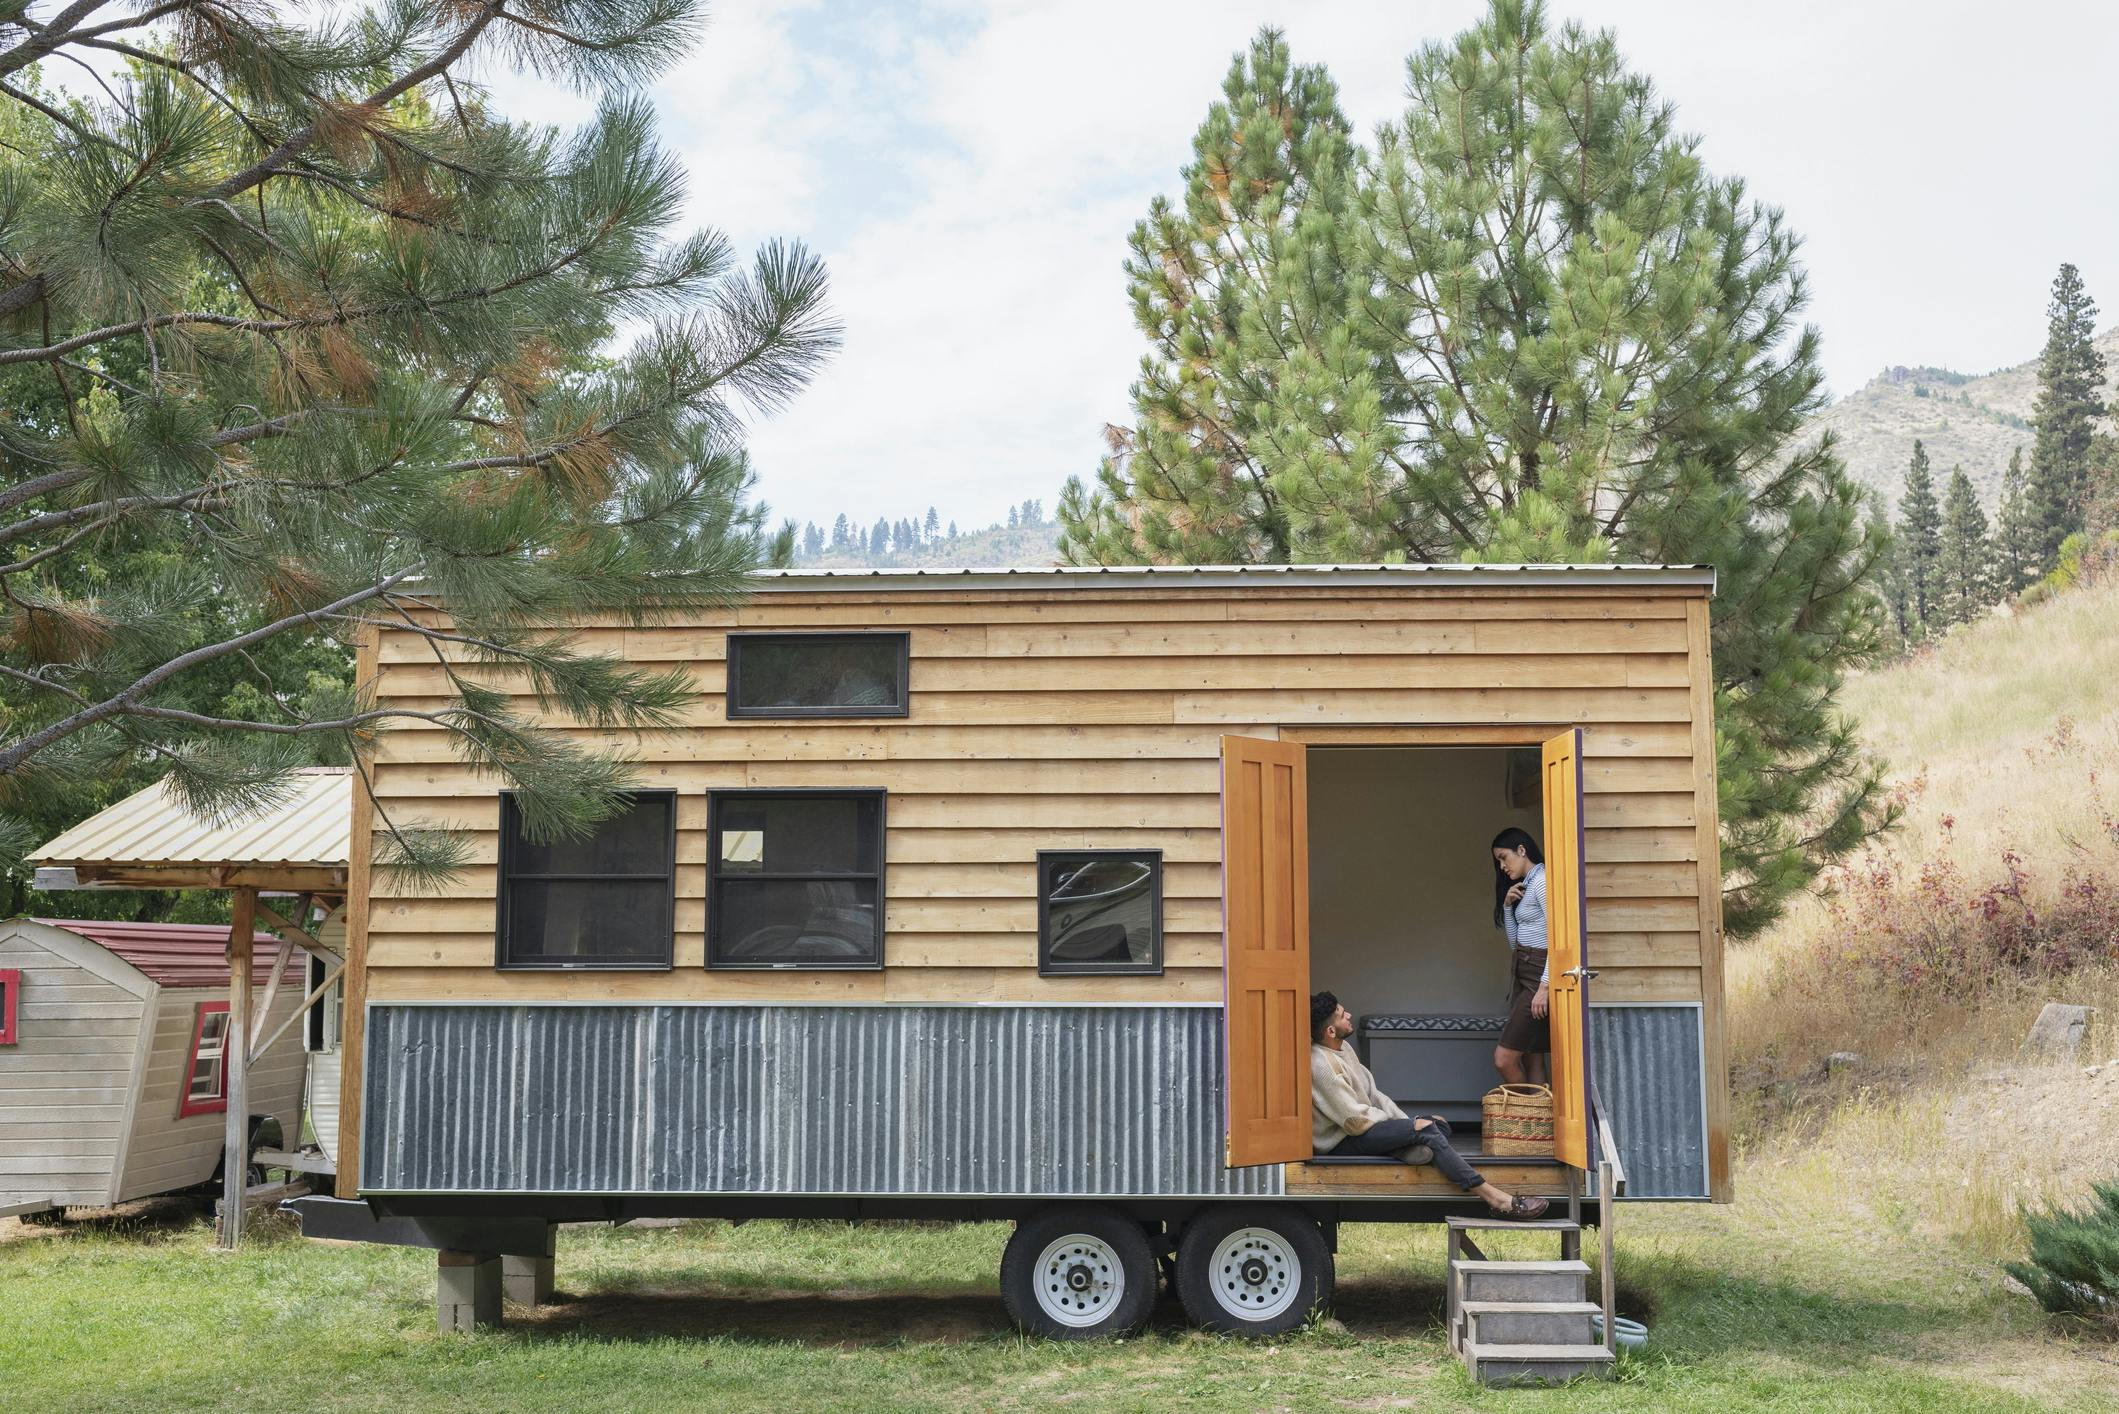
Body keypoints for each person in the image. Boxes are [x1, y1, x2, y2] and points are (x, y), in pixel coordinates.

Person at [1310, 992, 1549, 1220]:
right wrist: (1409, 1129)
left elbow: (1373, 1094)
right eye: (1342, 1015)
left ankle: (1405, 1148)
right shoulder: (1321, 1064)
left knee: (1438, 1123)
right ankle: (1496, 1199)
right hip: (1343, 1141)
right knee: (1426, 1131)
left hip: (1367, 1128)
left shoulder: (1344, 1048)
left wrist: (1406, 1125)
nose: (1349, 1015)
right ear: (1330, 1030)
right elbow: (1355, 1120)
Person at [1491, 827, 1549, 1085]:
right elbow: (1515, 945)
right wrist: (1507, 907)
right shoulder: (1525, 886)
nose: (1502, 865)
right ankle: (1541, 1122)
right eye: (1498, 861)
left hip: (1538, 975)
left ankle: (1528, 1118)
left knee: (1503, 1059)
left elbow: (1558, 939)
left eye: (1504, 857)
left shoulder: (1543, 882)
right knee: (1531, 1057)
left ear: (1522, 850)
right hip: (1523, 972)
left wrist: (1544, 987)